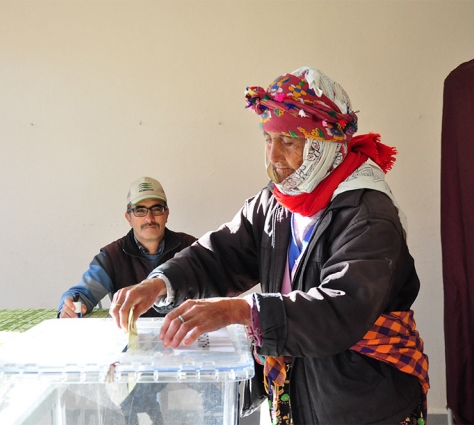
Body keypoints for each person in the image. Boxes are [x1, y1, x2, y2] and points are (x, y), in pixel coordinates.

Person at [110, 67, 430, 425]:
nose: (273, 156)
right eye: (268, 138)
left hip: (361, 402)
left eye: (289, 141)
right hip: (301, 393)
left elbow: (341, 309)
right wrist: (159, 283)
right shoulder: (279, 203)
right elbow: (221, 253)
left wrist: (241, 311)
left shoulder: (367, 215)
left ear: (323, 145)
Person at [58, 176, 196, 318]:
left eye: (156, 209)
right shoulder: (112, 257)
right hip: (128, 332)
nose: (149, 218)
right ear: (128, 217)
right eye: (140, 210)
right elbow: (82, 293)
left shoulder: (193, 249)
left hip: (185, 331)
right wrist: (70, 306)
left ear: (166, 214)